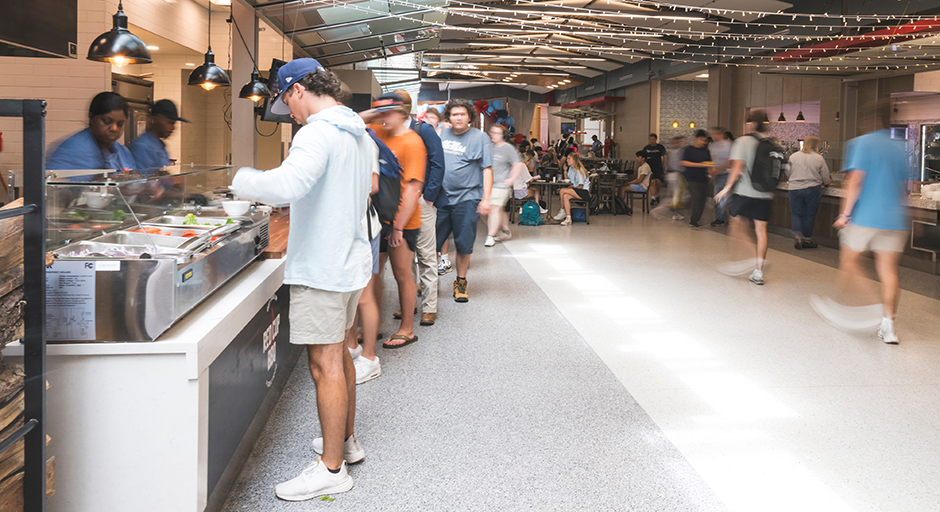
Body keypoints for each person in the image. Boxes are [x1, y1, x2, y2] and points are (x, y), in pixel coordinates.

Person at [231, 59, 373, 501]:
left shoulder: (316, 131)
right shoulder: (355, 130)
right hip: (350, 259)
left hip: (323, 265)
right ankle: (345, 443)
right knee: (342, 354)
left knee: (324, 363)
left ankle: (331, 469)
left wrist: (238, 180)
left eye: (284, 102)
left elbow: (288, 185)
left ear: (296, 91)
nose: (287, 114)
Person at [814, 109, 909, 343]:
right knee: (888, 271)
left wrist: (845, 214)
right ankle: (889, 325)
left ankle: (869, 307)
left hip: (867, 215)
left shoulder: (861, 143)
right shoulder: (900, 147)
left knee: (849, 261)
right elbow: (905, 184)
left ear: (870, 121)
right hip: (895, 217)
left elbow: (855, 181)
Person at [361, 92, 427, 350]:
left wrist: (398, 226)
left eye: (389, 113)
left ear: (403, 114)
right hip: (379, 217)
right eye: (381, 113)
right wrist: (377, 113)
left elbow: (412, 190)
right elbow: (352, 121)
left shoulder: (413, 143)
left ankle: (407, 328)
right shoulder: (378, 130)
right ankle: (372, 326)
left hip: (403, 220)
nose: (383, 118)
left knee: (402, 274)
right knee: (374, 273)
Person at [437, 98, 493, 302]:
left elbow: (487, 169)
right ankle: (429, 281)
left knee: (464, 243)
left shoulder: (480, 137)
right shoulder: (442, 134)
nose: (458, 118)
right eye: (454, 114)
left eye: (462, 114)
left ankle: (460, 282)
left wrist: (486, 198)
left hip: (468, 197)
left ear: (470, 117)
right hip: (441, 197)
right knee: (432, 242)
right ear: (449, 117)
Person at [715, 110, 774, 286]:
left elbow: (737, 167)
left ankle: (747, 260)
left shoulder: (742, 141)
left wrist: (726, 188)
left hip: (746, 192)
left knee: (736, 226)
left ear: (750, 123)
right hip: (766, 194)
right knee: (761, 231)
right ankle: (758, 270)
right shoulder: (770, 142)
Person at [403, 91, 445, 327]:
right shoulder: (389, 133)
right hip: (399, 203)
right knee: (403, 258)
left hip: (421, 201)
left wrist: (429, 196)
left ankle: (429, 307)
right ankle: (407, 304)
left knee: (426, 256)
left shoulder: (424, 130)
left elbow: (438, 163)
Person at [47, 92, 137, 173]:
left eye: (120, 124)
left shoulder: (123, 152)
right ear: (92, 118)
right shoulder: (72, 149)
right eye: (106, 121)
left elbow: (135, 182)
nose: (114, 128)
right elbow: (52, 186)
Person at [786, 135, 830, 249]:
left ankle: (798, 238)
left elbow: (787, 172)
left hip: (794, 188)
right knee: (809, 215)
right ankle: (807, 239)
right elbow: (825, 176)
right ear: (815, 145)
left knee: (796, 213)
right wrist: (826, 183)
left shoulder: (793, 156)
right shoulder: (818, 158)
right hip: (812, 188)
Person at [485, 124, 525, 247]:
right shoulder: (489, 147)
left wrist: (511, 179)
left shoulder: (508, 148)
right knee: (498, 209)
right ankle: (506, 231)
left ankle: (490, 236)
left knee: (494, 208)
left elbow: (519, 164)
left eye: (496, 133)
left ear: (502, 135)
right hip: (490, 184)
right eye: (492, 132)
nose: (493, 135)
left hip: (502, 185)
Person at [129, 99, 188, 174]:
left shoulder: (160, 145)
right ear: (156, 118)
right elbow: (143, 181)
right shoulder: (142, 146)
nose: (173, 128)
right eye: (170, 122)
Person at [681, 129, 713, 229]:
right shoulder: (688, 150)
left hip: (703, 178)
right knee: (697, 198)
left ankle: (696, 219)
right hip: (691, 178)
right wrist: (698, 165)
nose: (703, 142)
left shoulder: (706, 151)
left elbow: (709, 163)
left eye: (704, 140)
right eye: (701, 140)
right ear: (695, 139)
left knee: (703, 200)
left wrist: (711, 173)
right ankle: (693, 221)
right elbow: (683, 162)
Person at [553, 152, 590, 226]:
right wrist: (565, 171)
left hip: (583, 192)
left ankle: (562, 210)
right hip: (577, 191)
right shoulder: (571, 169)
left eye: (569, 158)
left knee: (562, 190)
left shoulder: (579, 170)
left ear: (574, 160)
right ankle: (568, 218)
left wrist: (571, 189)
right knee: (565, 196)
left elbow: (581, 186)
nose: (567, 160)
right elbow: (567, 179)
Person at [708, 127, 733, 227]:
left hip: (726, 174)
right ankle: (726, 216)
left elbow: (730, 161)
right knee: (720, 196)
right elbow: (711, 159)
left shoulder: (728, 145)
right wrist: (712, 171)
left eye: (715, 134)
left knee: (723, 197)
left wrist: (718, 170)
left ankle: (721, 218)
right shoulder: (712, 146)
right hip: (717, 174)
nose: (714, 136)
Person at [665, 136, 687, 220]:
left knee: (676, 194)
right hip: (675, 174)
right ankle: (675, 212)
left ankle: (676, 210)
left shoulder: (672, 152)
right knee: (676, 194)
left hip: (674, 174)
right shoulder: (677, 152)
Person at [643, 134, 667, 204]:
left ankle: (657, 195)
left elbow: (665, 155)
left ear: (656, 139)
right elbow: (643, 157)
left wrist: (665, 164)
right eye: (650, 139)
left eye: (653, 139)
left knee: (659, 183)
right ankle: (653, 198)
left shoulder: (660, 147)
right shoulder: (646, 148)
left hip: (658, 167)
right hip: (650, 168)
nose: (652, 141)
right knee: (652, 182)